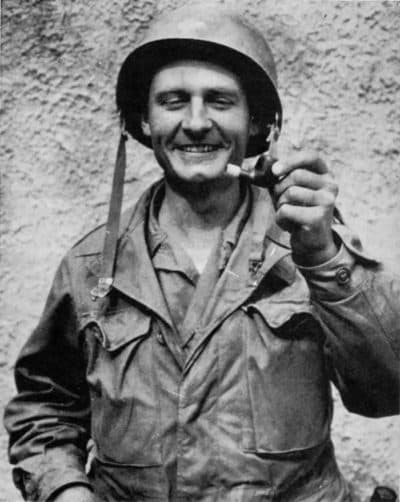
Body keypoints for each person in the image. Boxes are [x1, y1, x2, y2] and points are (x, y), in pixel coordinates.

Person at [4, 3, 399, 502]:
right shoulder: (91, 268)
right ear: (143, 122)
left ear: (256, 123)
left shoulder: (310, 248)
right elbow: (46, 407)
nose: (196, 122)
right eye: (173, 101)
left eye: (219, 101)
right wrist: (65, 490)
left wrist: (323, 259)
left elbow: (389, 391)